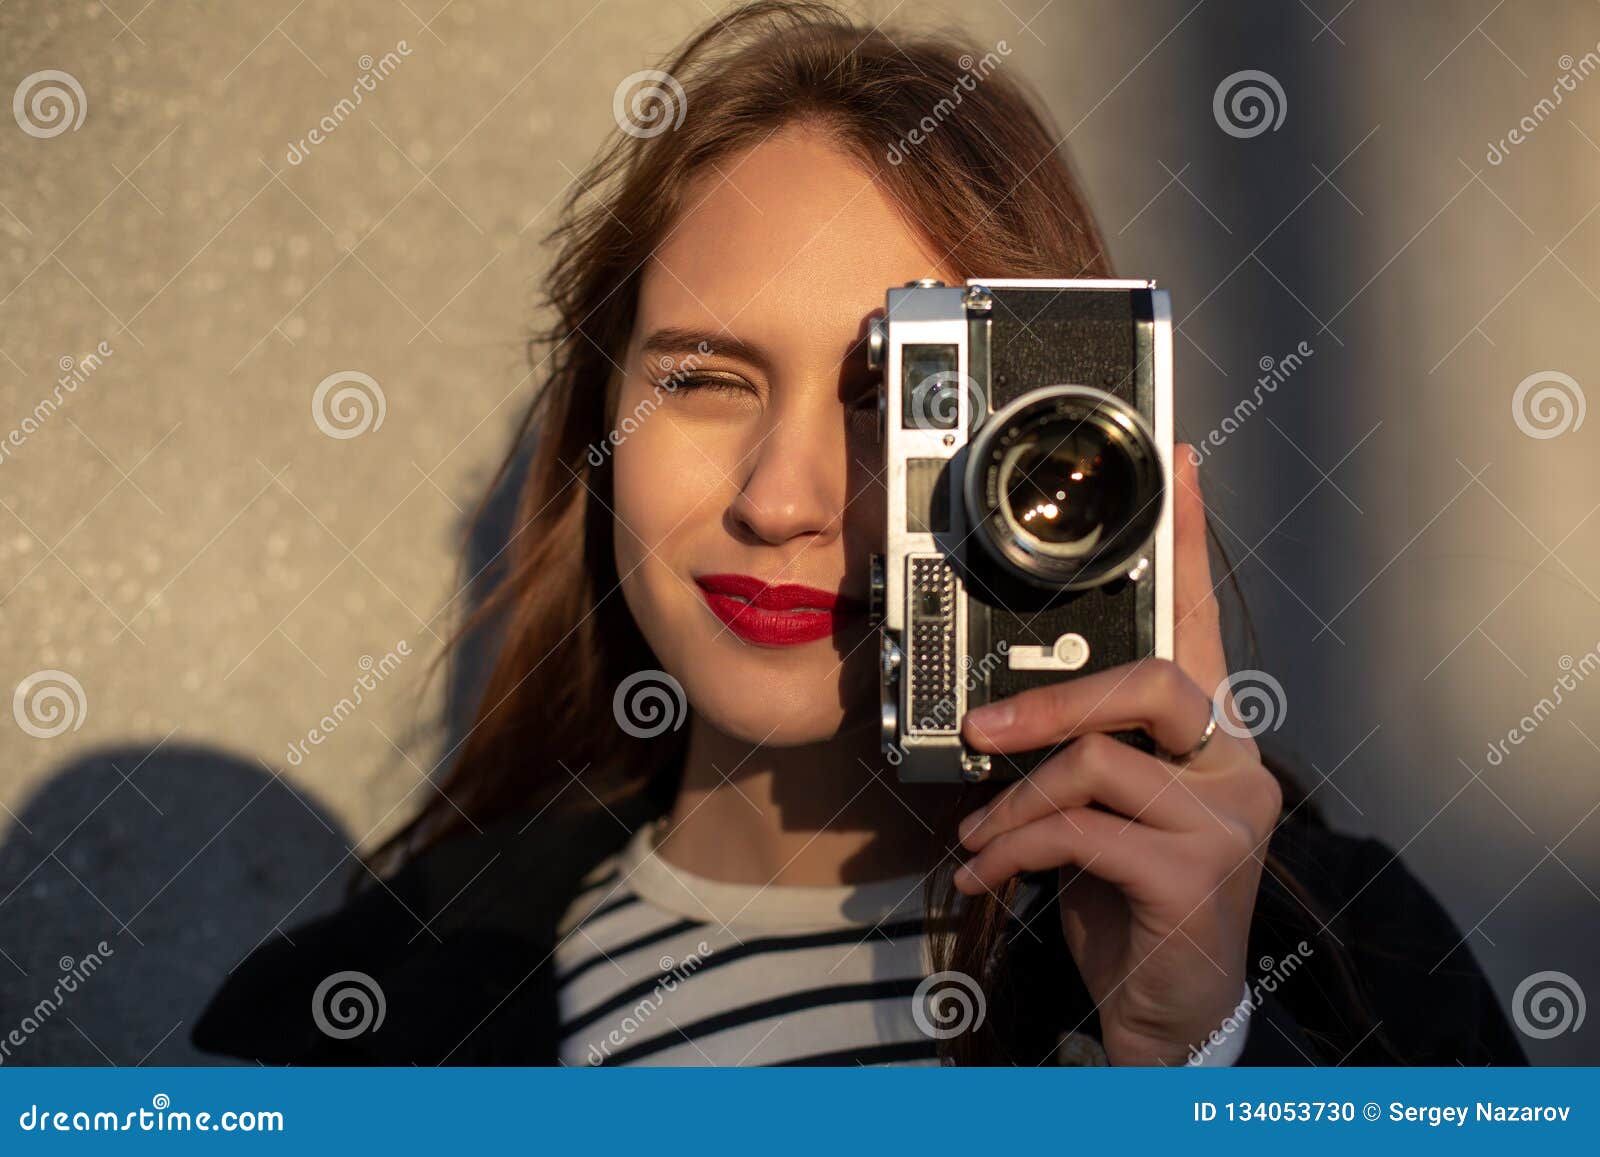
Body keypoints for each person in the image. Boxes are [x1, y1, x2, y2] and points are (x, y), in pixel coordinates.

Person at [193, 0, 1527, 1067]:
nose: (780, 499)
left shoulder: (1347, 969)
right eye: (704, 379)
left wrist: (1195, 1062)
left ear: (1054, 438)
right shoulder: (346, 1024)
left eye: (894, 401)